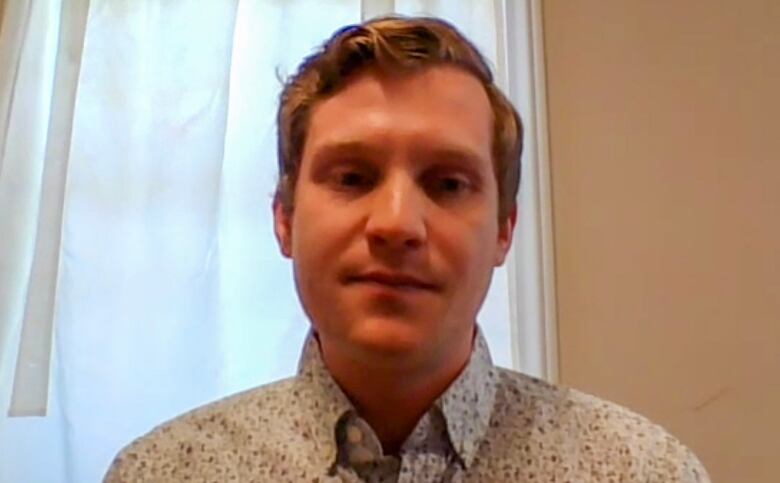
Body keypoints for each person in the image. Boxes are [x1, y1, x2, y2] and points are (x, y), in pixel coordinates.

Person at [104, 16, 710, 482]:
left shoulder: (642, 471)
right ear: (284, 219)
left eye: (448, 183)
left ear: (504, 230)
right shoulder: (162, 472)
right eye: (351, 178)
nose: (396, 225)